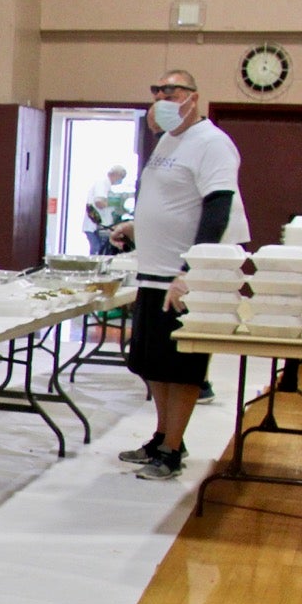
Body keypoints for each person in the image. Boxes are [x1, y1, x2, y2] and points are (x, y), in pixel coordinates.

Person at [114, 69, 247, 481]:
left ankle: (172, 451)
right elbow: (169, 199)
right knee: (150, 362)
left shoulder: (212, 144)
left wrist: (193, 269)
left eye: (172, 90)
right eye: (157, 90)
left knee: (180, 366)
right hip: (152, 272)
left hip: (179, 275)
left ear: (193, 96)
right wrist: (137, 227)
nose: (162, 97)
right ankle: (164, 435)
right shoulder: (168, 141)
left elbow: (217, 207)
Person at [84, 164, 127, 255]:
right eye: (121, 177)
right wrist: (114, 203)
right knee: (97, 252)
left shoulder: (107, 186)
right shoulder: (102, 183)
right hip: (95, 227)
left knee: (101, 251)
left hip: (99, 226)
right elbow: (99, 203)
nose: (120, 181)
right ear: (115, 174)